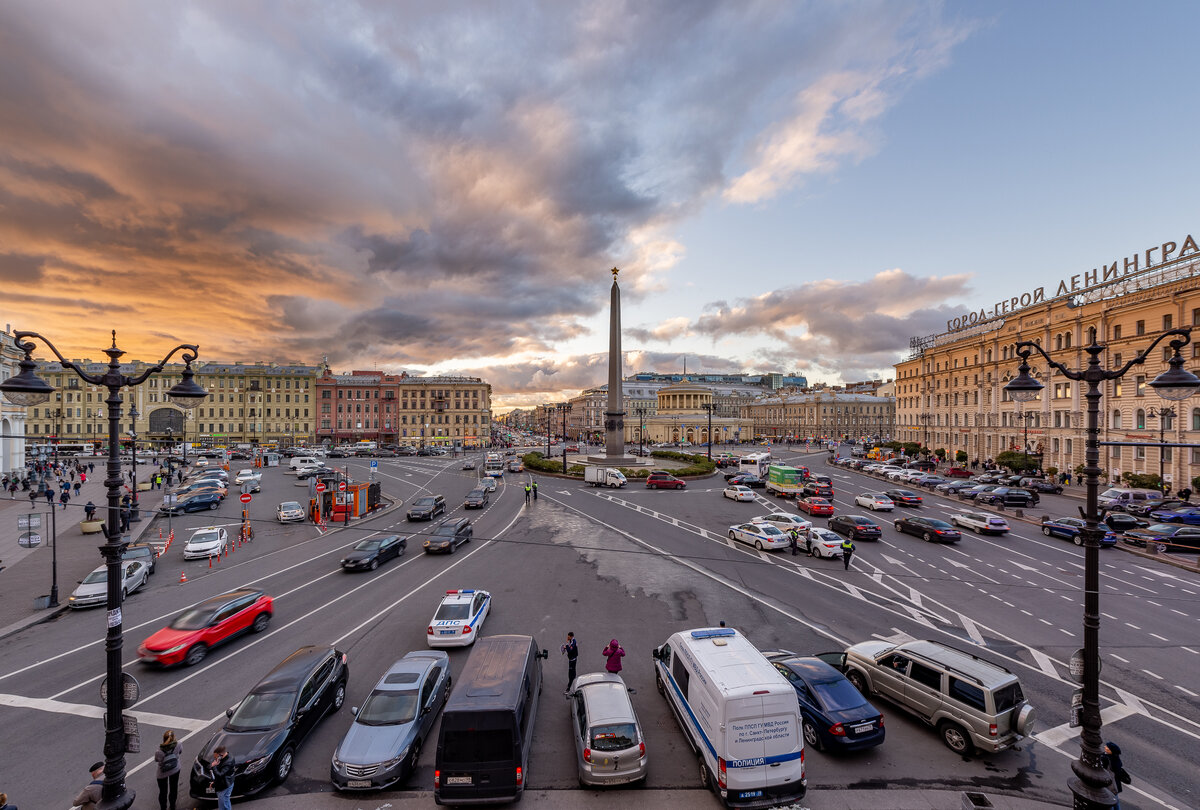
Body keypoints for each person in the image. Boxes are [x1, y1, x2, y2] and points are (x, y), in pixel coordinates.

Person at [155, 729, 182, 810]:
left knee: (163, 792)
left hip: (162, 773)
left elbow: (157, 760)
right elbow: (180, 752)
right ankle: (172, 806)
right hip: (175, 769)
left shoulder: (159, 751)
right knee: (174, 788)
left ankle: (163, 807)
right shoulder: (179, 744)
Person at [1103, 740, 1130, 807]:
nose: (1105, 747)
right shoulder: (1115, 759)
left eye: (1107, 747)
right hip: (1115, 785)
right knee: (1115, 800)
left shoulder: (1107, 759)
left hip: (1110, 784)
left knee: (1110, 802)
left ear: (1110, 751)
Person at [209, 745, 235, 810]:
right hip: (222, 784)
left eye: (216, 757)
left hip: (224, 786)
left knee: (223, 805)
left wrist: (214, 766)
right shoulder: (224, 757)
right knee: (225, 802)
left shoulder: (228, 762)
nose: (215, 759)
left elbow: (220, 775)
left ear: (220, 755)